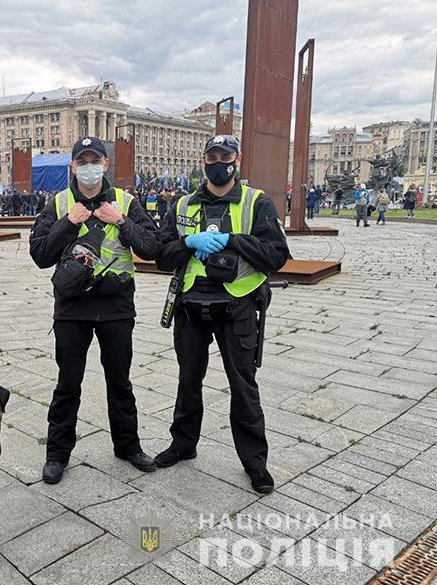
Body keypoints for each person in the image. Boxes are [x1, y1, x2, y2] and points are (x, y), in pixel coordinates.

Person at [154, 135, 290, 494]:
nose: (219, 162)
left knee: (242, 386)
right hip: (191, 308)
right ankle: (183, 444)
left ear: (237, 159)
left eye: (225, 156)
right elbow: (160, 254)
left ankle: (255, 463)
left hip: (237, 306)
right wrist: (188, 242)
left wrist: (232, 240)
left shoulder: (255, 202)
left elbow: (277, 254)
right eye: (212, 156)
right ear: (204, 160)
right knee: (188, 381)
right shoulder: (183, 204)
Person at [29, 136, 160, 484]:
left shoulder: (125, 202)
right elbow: (39, 255)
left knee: (120, 382)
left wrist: (120, 221)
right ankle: (57, 454)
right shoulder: (58, 203)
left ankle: (128, 446)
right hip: (73, 308)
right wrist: (68, 223)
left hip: (116, 306)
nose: (89, 167)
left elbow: (152, 248)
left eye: (95, 160)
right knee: (67, 384)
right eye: (82, 161)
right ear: (73, 166)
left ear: (105, 164)